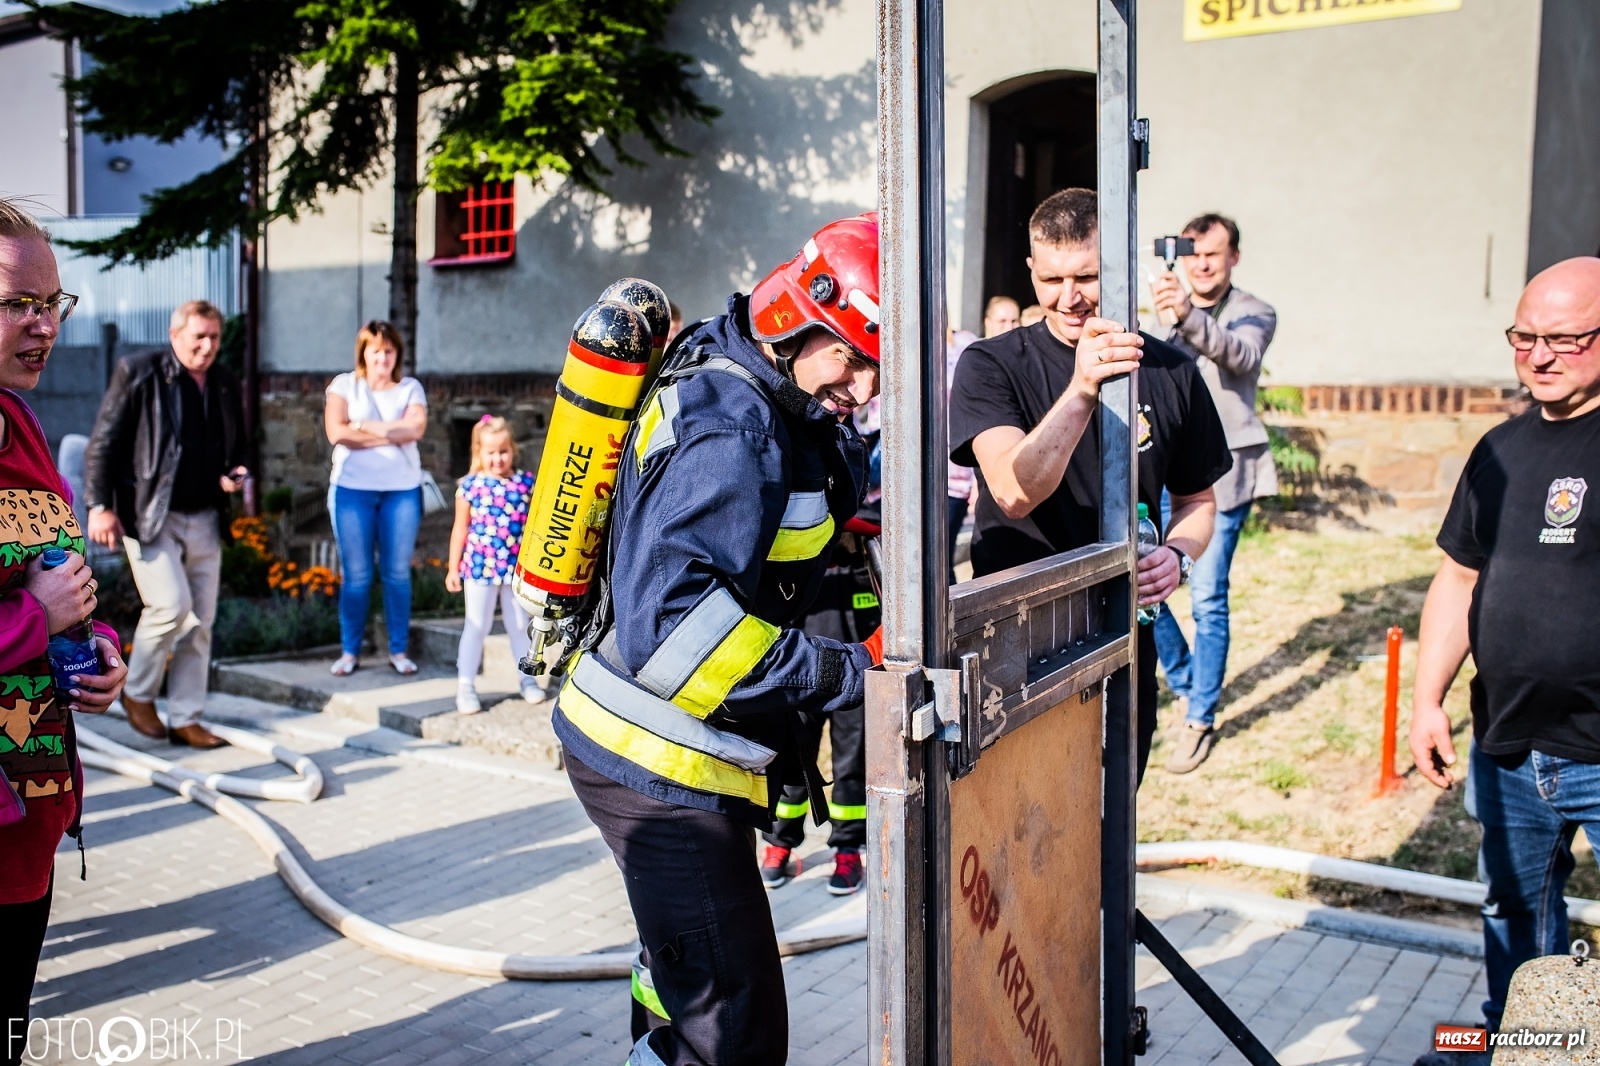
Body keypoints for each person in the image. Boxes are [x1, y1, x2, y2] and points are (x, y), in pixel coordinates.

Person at [553, 215, 883, 1065]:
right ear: (790, 323)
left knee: (677, 982)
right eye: (848, 355)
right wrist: (854, 672)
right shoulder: (732, 430)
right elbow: (679, 637)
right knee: (732, 1031)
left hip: (661, 747)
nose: (862, 385)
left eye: (875, 365)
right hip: (659, 759)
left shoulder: (750, 376)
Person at [950, 188, 1232, 781]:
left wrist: (1179, 556)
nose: (1069, 298)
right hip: (1018, 642)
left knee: (1110, 820)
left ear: (1123, 265)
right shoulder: (990, 363)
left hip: (1122, 635)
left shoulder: (1172, 370)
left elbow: (1198, 501)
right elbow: (1013, 491)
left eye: (1088, 275)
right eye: (1051, 279)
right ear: (1031, 269)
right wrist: (1082, 390)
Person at [1409, 257, 1600, 1066]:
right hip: (1510, 746)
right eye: (1524, 337)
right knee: (1514, 916)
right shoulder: (1499, 448)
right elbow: (1459, 575)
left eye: (1563, 339)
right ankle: (1523, 1047)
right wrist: (1427, 701)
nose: (1539, 355)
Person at [0, 198, 128, 1066]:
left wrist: (100, 643)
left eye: (55, 302)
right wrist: (28, 622)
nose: (45, 324)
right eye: (19, 303)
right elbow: (29, 600)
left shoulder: (22, 421)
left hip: (29, 820)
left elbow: (52, 567)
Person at [85, 299, 247, 749]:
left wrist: (238, 471)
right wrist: (100, 505)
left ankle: (186, 717)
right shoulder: (139, 372)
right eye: (199, 336)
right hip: (152, 516)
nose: (208, 345)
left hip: (208, 515)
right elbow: (103, 444)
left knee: (201, 622)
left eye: (214, 336)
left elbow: (243, 445)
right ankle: (137, 692)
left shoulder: (224, 383)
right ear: (175, 335)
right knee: (171, 606)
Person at [1149, 213, 1278, 773]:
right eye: (1193, 253)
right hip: (1164, 469)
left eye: (1214, 254)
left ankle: (1199, 717)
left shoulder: (1255, 310)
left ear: (1233, 258)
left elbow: (1240, 355)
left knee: (1205, 597)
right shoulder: (1160, 309)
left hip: (1224, 477)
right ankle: (1182, 681)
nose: (1202, 264)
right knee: (1150, 589)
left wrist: (1186, 316)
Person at [759, 520, 879, 897]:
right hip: (803, 671)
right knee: (793, 763)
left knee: (853, 763)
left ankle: (847, 848)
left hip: (858, 671)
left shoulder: (868, 534)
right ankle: (780, 842)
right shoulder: (794, 522)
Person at [323, 320, 428, 677]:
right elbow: (336, 432)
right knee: (357, 576)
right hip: (352, 491)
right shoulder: (344, 385)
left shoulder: (410, 388)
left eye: (389, 350)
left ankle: (398, 650)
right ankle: (350, 651)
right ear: (363, 353)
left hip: (401, 491)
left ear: (397, 353)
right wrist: (393, 434)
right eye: (375, 350)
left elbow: (416, 429)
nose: (382, 357)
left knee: (397, 573)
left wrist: (364, 426)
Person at [444, 415, 544, 712]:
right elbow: (460, 528)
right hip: (480, 567)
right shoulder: (470, 486)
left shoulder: (525, 483)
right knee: (477, 625)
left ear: (512, 449)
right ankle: (465, 685)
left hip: (516, 569)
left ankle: (526, 679)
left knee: (518, 624)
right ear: (479, 452)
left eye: (503, 451)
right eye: (491, 452)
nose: (498, 458)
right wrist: (453, 567)